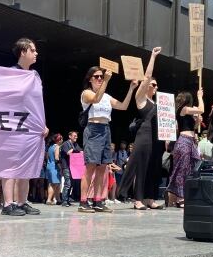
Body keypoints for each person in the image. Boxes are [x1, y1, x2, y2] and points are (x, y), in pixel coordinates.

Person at [79, 67, 137, 213]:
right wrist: (106, 80)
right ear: (90, 79)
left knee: (103, 168)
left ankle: (98, 200)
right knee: (90, 167)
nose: (99, 79)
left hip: (105, 129)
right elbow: (95, 99)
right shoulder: (87, 93)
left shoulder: (106, 96)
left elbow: (123, 106)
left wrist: (131, 89)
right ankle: (83, 201)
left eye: (101, 77)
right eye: (97, 76)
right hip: (93, 128)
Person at [1, 38, 48, 216]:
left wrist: (43, 123)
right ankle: (8, 204)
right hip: (14, 126)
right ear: (23, 52)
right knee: (10, 165)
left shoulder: (35, 76)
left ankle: (21, 202)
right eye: (33, 50)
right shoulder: (10, 74)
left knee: (26, 167)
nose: (36, 53)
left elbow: (37, 103)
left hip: (32, 127)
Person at [118, 47, 165, 210]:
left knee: (153, 167)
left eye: (156, 85)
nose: (155, 86)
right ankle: (137, 199)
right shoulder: (141, 99)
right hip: (144, 136)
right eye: (153, 84)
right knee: (140, 167)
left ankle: (149, 198)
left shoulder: (158, 103)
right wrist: (153, 57)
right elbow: (146, 77)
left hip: (156, 138)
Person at [166, 89, 204, 207]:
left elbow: (193, 127)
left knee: (193, 167)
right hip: (184, 142)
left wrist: (197, 121)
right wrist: (200, 96)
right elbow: (202, 109)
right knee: (182, 169)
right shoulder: (184, 109)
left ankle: (184, 195)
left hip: (191, 142)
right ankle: (180, 198)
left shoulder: (186, 112)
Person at [59, 130, 81, 207]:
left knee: (71, 184)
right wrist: (74, 150)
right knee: (67, 183)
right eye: (74, 136)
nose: (76, 137)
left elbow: (81, 151)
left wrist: (78, 151)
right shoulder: (65, 144)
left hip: (73, 167)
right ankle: (64, 201)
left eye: (77, 136)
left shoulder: (75, 144)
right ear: (70, 136)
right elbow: (68, 153)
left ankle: (67, 200)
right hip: (66, 167)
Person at [45, 134, 63, 204]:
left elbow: (47, 157)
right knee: (54, 184)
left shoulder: (50, 147)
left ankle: (58, 199)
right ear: (59, 140)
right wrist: (60, 167)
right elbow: (56, 158)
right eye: (61, 139)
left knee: (56, 183)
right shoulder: (57, 147)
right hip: (55, 167)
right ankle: (49, 199)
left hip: (49, 166)